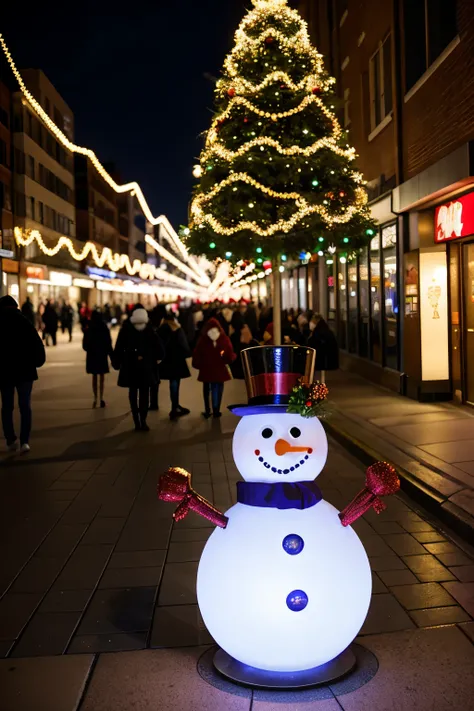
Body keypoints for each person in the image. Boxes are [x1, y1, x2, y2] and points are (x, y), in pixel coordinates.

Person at [0, 295, 46, 453]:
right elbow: (38, 346)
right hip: (25, 371)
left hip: (5, 372)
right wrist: (37, 362)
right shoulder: (25, 322)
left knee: (7, 406)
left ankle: (11, 439)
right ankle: (25, 441)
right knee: (25, 405)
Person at [112, 305, 165, 432]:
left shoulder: (126, 328)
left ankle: (136, 420)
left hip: (130, 366)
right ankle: (143, 420)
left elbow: (119, 346)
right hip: (146, 367)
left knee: (132, 392)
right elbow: (160, 349)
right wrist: (156, 359)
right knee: (144, 394)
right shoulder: (150, 329)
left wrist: (117, 362)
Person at [192, 317, 236, 419]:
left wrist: (198, 365)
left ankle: (207, 410)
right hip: (220, 369)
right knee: (218, 388)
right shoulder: (223, 338)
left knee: (206, 389)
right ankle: (216, 410)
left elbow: (197, 354)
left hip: (206, 370)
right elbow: (229, 354)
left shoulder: (203, 339)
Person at [158, 312, 192, 420]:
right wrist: (187, 353)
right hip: (177, 359)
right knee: (175, 383)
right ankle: (174, 407)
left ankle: (172, 406)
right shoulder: (177, 329)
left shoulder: (160, 330)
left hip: (165, 360)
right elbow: (184, 344)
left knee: (169, 382)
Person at [83, 310, 113, 408]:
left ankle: (95, 398)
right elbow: (109, 343)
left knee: (94, 376)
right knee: (102, 377)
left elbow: (85, 345)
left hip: (92, 355)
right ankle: (101, 397)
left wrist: (89, 349)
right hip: (102, 355)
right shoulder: (104, 328)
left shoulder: (89, 328)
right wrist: (111, 355)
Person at [307, 314, 339, 382]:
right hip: (325, 357)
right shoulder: (324, 329)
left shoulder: (319, 332)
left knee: (319, 374)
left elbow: (313, 343)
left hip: (323, 358)